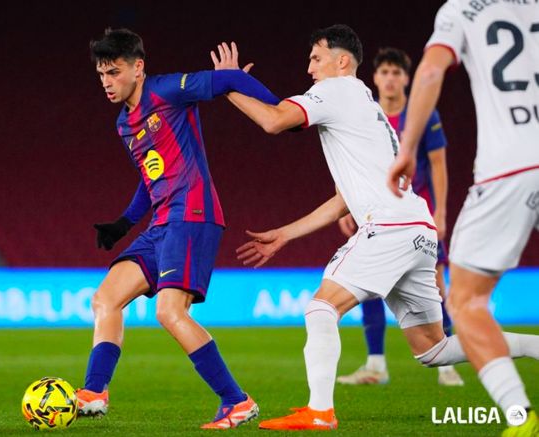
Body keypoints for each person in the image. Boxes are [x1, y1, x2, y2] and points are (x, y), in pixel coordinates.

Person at [212, 24, 539, 431]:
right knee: (433, 350)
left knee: (320, 309)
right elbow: (343, 200)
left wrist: (227, 86)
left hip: (389, 227)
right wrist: (286, 233)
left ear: (341, 61)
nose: (309, 68)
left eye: (316, 58)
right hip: (417, 230)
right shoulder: (365, 105)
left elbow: (275, 120)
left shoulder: (337, 90)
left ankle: (320, 411)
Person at [76, 28, 280, 429]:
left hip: (193, 214)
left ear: (138, 68)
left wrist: (283, 110)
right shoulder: (124, 123)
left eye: (114, 72)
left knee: (169, 311)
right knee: (105, 299)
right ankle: (95, 392)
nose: (107, 82)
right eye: (101, 75)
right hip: (162, 222)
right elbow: (150, 177)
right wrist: (123, 223)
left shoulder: (166, 90)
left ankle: (236, 401)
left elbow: (228, 79)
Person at [387, 1, 539, 435]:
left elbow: (430, 72)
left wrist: (407, 147)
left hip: (510, 166)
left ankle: (519, 417)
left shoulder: (462, 8)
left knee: (466, 303)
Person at [337, 47, 463, 387]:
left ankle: (447, 365)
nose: (390, 79)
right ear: (375, 78)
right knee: (368, 284)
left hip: (417, 214)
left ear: (406, 78)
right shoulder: (367, 115)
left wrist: (441, 212)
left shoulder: (422, 115)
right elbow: (352, 164)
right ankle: (376, 365)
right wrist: (347, 205)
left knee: (435, 286)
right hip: (375, 213)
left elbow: (438, 164)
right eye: (385, 72)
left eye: (396, 72)